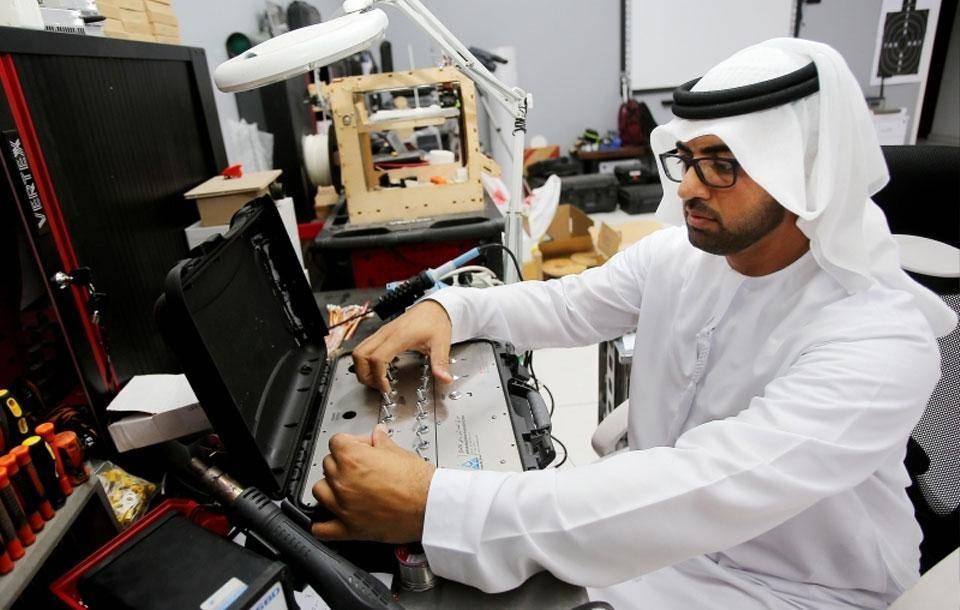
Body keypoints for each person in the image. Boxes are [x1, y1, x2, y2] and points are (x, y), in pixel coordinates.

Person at [309, 38, 957, 609]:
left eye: (722, 165)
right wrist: (450, 307)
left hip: (799, 588)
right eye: (689, 159)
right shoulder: (680, 258)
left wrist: (434, 503)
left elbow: (702, 488)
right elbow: (564, 306)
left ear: (803, 173)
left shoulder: (878, 342)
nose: (690, 188)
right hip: (662, 543)